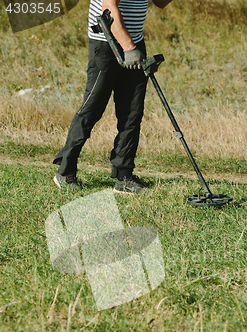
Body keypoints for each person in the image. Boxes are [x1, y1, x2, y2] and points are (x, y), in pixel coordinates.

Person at [53, 0, 173, 193]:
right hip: (107, 42)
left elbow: (160, 2)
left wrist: (132, 46)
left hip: (133, 42)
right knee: (92, 108)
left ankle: (124, 176)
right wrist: (128, 48)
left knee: (132, 112)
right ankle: (65, 171)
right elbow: (108, 6)